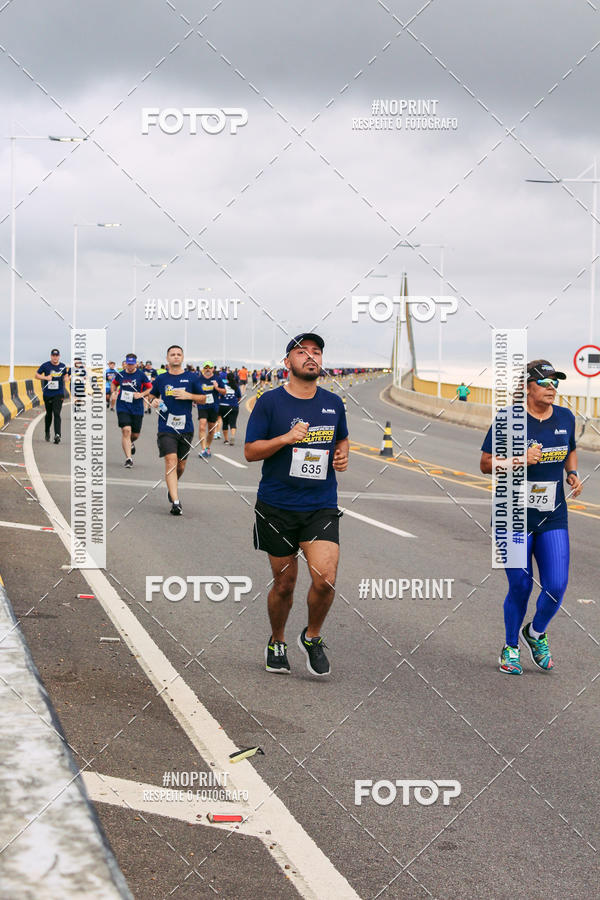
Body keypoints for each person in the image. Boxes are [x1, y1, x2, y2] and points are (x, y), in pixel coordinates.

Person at [245, 333, 349, 676]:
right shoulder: (269, 402)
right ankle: (277, 640)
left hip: (320, 504)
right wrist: (286, 438)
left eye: (317, 352)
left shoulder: (333, 404)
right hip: (277, 505)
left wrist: (343, 452)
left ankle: (312, 635)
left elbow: (342, 438)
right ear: (287, 362)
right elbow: (250, 451)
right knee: (284, 583)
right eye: (302, 352)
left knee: (326, 578)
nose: (311, 357)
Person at [480, 360, 583, 675]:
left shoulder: (565, 417)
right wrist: (519, 459)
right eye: (545, 382)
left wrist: (572, 473)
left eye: (555, 382)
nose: (552, 388)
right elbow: (485, 464)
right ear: (527, 387)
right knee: (521, 584)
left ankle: (535, 632)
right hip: (513, 515)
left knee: (557, 584)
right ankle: (510, 646)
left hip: (552, 514)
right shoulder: (508, 419)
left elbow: (571, 449)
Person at [150, 345, 205, 515]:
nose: (175, 357)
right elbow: (152, 395)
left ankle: (171, 487)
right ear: (167, 358)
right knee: (171, 461)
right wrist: (154, 401)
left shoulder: (192, 378)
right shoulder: (161, 379)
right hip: (166, 427)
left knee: (180, 466)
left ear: (182, 358)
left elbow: (203, 398)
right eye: (172, 354)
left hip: (186, 428)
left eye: (178, 354)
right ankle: (176, 501)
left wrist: (189, 396)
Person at [111, 354, 153, 467]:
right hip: (123, 406)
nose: (130, 366)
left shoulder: (141, 375)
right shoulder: (120, 374)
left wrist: (142, 394)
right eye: (128, 364)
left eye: (132, 364)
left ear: (136, 363)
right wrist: (114, 392)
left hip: (137, 407)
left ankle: (131, 442)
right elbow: (114, 384)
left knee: (135, 435)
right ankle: (128, 459)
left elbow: (150, 387)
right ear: (126, 363)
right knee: (126, 430)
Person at [36, 349, 70, 443]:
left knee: (57, 413)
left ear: (59, 356)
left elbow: (66, 375)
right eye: (53, 355)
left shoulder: (62, 366)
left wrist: (66, 378)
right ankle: (47, 431)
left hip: (58, 393)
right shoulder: (45, 365)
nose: (55, 357)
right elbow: (36, 375)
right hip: (47, 393)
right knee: (49, 414)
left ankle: (57, 435)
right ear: (51, 356)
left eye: (57, 355)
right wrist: (45, 377)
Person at [196, 361, 226, 458]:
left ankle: (208, 447)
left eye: (210, 367)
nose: (208, 369)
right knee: (202, 426)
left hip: (213, 407)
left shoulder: (217, 379)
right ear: (203, 369)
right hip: (202, 406)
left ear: (213, 369)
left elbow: (224, 392)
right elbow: (193, 391)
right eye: (206, 367)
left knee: (211, 430)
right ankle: (203, 449)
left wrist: (217, 388)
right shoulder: (199, 379)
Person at [219, 373, 242, 445]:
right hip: (234, 406)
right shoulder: (236, 387)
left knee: (225, 422)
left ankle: (226, 440)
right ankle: (232, 436)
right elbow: (239, 397)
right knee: (233, 422)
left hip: (223, 406)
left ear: (226, 378)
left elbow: (219, 396)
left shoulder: (223, 386)